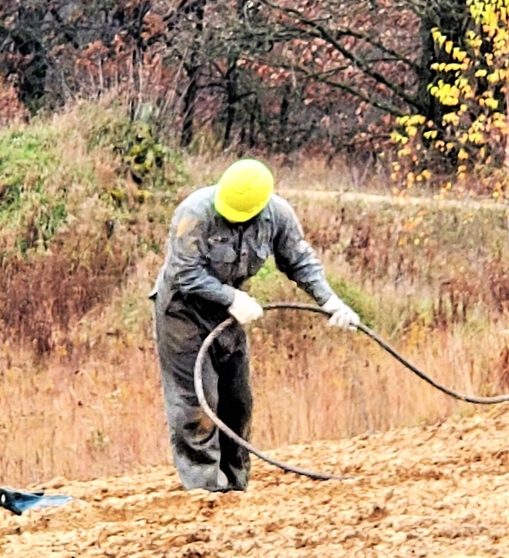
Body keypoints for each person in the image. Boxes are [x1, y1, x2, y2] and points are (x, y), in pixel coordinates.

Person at [150, 158, 359, 492]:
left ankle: (236, 487)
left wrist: (329, 300)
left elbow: (299, 260)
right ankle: (207, 492)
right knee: (197, 407)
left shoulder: (276, 215)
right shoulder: (195, 213)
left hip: (231, 315)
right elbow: (183, 273)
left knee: (238, 403)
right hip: (183, 314)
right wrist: (229, 297)